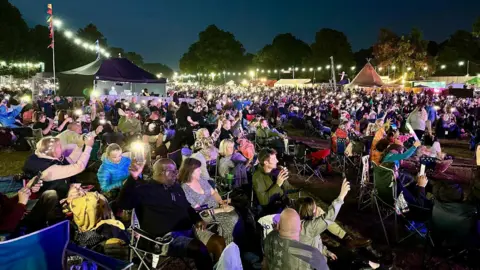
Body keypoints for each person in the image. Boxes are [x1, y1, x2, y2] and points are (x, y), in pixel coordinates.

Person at [117, 159, 225, 269]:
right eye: (173, 171)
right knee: (198, 248)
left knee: (219, 242)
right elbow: (123, 204)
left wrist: (197, 219)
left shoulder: (176, 187)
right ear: (161, 172)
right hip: (163, 239)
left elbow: (187, 206)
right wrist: (133, 178)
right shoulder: (144, 189)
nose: (176, 174)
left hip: (189, 231)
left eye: (176, 171)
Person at [298, 180, 371, 263]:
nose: (317, 208)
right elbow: (329, 217)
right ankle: (349, 240)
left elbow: (315, 242)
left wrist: (326, 251)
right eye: (315, 208)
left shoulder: (297, 221)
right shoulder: (310, 227)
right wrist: (341, 196)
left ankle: (348, 239)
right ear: (310, 212)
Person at [179, 158, 239, 245]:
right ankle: (227, 244)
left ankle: (230, 240)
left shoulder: (201, 179)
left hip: (216, 207)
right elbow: (199, 211)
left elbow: (214, 192)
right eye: (198, 169)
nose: (200, 171)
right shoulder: (185, 188)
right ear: (191, 171)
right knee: (232, 218)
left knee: (235, 213)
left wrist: (221, 202)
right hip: (204, 214)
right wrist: (221, 210)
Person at [263, 208, 328, 270]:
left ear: (278, 226)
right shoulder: (310, 253)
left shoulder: (269, 237)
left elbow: (265, 264)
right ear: (300, 227)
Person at [252, 148, 290, 215]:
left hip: (281, 204)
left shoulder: (275, 171)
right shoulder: (257, 177)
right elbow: (263, 201)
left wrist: (284, 177)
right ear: (266, 162)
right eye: (274, 159)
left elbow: (287, 189)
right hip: (269, 211)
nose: (277, 161)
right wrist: (277, 184)